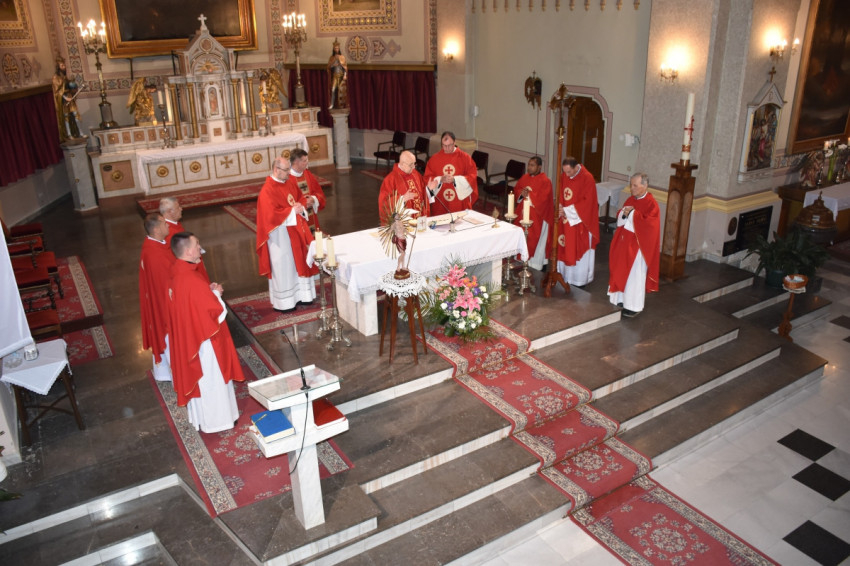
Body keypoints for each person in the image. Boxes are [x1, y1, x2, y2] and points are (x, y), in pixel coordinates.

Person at [168, 232, 243, 433]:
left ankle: (204, 419)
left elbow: (192, 302)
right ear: (188, 251)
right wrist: (216, 294)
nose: (200, 248)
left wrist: (207, 292)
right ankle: (218, 421)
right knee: (212, 379)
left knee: (206, 381)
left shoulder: (179, 271)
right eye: (197, 244)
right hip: (204, 341)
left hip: (190, 336)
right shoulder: (191, 279)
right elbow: (213, 313)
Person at [256, 157, 319, 311]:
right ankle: (285, 303)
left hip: (295, 232)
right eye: (286, 170)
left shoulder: (289, 182)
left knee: (299, 261)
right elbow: (270, 215)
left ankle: (303, 296)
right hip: (280, 236)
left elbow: (300, 198)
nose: (289, 173)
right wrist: (292, 211)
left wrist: (300, 206)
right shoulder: (267, 190)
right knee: (284, 266)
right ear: (276, 170)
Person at [607, 172, 660, 318]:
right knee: (621, 270)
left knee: (634, 276)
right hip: (624, 242)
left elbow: (650, 226)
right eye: (631, 185)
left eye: (635, 186)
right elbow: (622, 216)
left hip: (638, 246)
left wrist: (632, 214)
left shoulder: (651, 204)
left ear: (645, 185)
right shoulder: (631, 199)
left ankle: (633, 306)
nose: (632, 189)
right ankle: (620, 299)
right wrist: (623, 214)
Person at [139, 213, 175, 381]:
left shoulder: (155, 245)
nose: (168, 225)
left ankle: (165, 373)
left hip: (161, 301)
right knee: (170, 339)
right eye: (164, 223)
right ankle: (177, 375)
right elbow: (165, 285)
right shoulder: (154, 254)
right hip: (164, 306)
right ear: (156, 229)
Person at [557, 156, 600, 286]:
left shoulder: (587, 178)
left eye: (569, 172)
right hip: (565, 220)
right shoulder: (564, 175)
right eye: (564, 172)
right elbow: (561, 193)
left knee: (578, 247)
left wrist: (567, 211)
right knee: (565, 245)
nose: (566, 175)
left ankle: (579, 280)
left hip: (580, 222)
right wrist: (560, 206)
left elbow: (588, 202)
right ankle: (564, 275)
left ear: (576, 167)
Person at [511, 156, 553, 271]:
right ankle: (522, 259)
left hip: (538, 216)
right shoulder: (524, 177)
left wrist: (529, 194)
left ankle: (536, 264)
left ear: (539, 167)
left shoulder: (545, 181)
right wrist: (521, 194)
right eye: (529, 165)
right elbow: (517, 189)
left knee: (535, 240)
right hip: (523, 213)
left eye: (532, 165)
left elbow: (544, 199)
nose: (529, 167)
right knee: (523, 236)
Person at [425, 131, 478, 215]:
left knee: (459, 220)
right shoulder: (434, 159)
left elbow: (472, 176)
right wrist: (440, 179)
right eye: (444, 145)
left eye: (449, 145)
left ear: (454, 142)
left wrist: (455, 180)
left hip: (458, 201)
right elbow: (427, 178)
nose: (447, 148)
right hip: (441, 199)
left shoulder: (465, 158)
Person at [378, 150, 438, 223]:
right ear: (403, 164)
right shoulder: (390, 179)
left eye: (414, 163)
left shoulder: (415, 174)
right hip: (404, 225)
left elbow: (422, 196)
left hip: (420, 222)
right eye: (411, 165)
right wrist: (402, 199)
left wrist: (428, 190)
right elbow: (384, 203)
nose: (414, 167)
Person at [288, 148, 327, 231]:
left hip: (311, 214)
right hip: (297, 218)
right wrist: (303, 203)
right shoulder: (287, 178)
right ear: (296, 162)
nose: (307, 162)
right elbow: (287, 200)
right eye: (304, 160)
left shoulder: (307, 173)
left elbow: (319, 192)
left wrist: (313, 199)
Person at [327, 39, 348, 109]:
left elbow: (345, 67)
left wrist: (345, 75)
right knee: (333, 90)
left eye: (338, 48)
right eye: (335, 48)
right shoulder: (331, 58)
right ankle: (332, 104)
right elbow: (329, 67)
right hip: (335, 76)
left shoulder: (342, 57)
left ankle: (341, 104)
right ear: (333, 49)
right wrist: (333, 64)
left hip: (341, 75)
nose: (337, 49)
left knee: (340, 90)